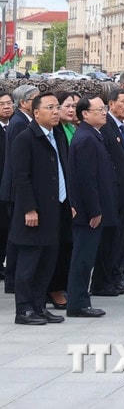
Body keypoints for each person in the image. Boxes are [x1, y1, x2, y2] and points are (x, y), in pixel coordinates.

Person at [9, 93, 68, 325]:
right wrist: (29, 209)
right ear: (36, 112)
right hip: (34, 212)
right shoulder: (26, 138)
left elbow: (62, 171)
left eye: (57, 107)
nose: (56, 111)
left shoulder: (57, 135)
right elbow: (21, 178)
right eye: (50, 107)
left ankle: (38, 306)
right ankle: (23, 310)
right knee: (29, 264)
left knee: (47, 263)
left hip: (55, 209)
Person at [64, 96, 116, 318]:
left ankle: (80, 300)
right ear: (85, 114)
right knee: (83, 258)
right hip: (88, 213)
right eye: (99, 109)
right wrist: (94, 210)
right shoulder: (85, 138)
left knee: (87, 256)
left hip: (93, 208)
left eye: (105, 109)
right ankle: (78, 303)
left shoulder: (92, 135)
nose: (104, 112)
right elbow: (86, 179)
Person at [94, 88, 124, 296]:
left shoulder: (123, 128)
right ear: (111, 104)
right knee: (109, 242)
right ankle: (103, 282)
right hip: (113, 195)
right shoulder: (106, 127)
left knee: (120, 241)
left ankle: (114, 276)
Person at [1, 84, 39, 291]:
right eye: (35, 99)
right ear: (23, 103)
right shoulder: (18, 123)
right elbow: (18, 160)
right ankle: (13, 280)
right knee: (17, 236)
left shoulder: (23, 120)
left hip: (17, 187)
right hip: (16, 188)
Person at [46, 91, 78, 309]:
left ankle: (63, 285)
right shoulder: (54, 132)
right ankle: (53, 288)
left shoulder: (71, 130)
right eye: (65, 105)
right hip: (53, 198)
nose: (69, 110)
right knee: (55, 246)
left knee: (68, 243)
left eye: (73, 106)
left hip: (68, 197)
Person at [0, 91, 15, 281]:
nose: (6, 107)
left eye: (9, 103)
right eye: (2, 104)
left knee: (6, 229)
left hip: (7, 187)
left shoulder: (14, 127)